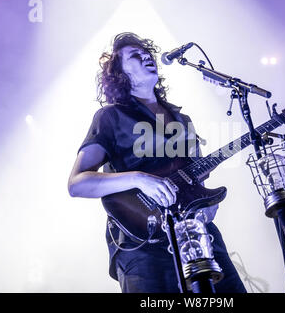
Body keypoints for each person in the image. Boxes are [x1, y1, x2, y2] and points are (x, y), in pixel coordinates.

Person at [68, 32, 246, 293]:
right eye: (135, 56)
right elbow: (77, 184)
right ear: (120, 73)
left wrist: (208, 205)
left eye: (146, 53)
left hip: (198, 236)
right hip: (142, 245)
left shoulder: (182, 120)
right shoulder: (110, 117)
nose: (146, 57)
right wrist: (139, 178)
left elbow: (195, 178)